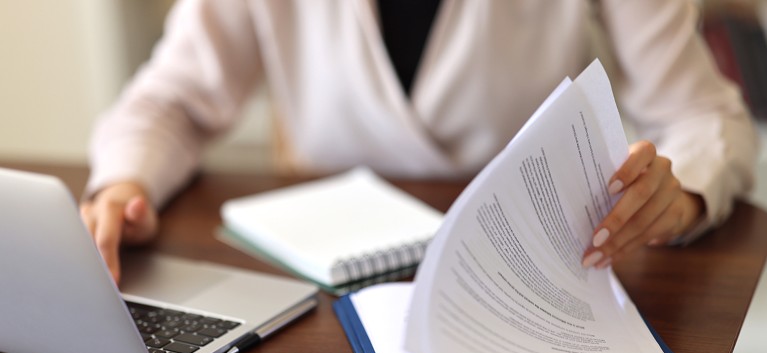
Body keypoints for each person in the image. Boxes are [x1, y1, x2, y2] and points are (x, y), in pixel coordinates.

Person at [80, 0, 757, 284]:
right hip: (323, 298)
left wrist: (683, 192)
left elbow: (703, 115)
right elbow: (170, 101)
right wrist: (124, 183)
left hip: (535, 274)